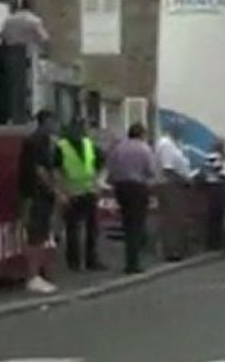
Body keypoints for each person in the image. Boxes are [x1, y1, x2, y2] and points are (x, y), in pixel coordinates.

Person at [17, 109, 63, 294]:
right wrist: (55, 191)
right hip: (35, 194)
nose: (56, 126)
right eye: (53, 121)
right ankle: (33, 276)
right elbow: (39, 170)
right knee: (36, 235)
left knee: (43, 234)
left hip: (40, 194)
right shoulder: (37, 141)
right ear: (45, 121)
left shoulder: (45, 141)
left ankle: (40, 274)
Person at [106, 122, 156, 274]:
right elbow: (151, 170)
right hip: (137, 187)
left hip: (121, 187)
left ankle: (130, 258)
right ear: (141, 134)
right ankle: (133, 262)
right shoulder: (144, 149)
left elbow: (111, 167)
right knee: (137, 224)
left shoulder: (118, 148)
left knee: (127, 223)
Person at [57, 117, 105, 271]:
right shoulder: (61, 147)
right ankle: (77, 262)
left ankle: (87, 260)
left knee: (89, 229)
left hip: (87, 191)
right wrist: (60, 191)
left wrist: (98, 182)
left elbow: (100, 163)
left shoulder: (88, 144)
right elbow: (55, 170)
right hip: (72, 192)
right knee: (74, 230)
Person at [154, 123, 194, 261]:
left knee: (175, 219)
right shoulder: (166, 145)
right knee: (172, 219)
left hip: (172, 185)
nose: (182, 132)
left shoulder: (173, 144)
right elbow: (168, 169)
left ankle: (175, 248)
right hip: (170, 186)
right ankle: (172, 251)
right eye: (180, 129)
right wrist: (184, 179)